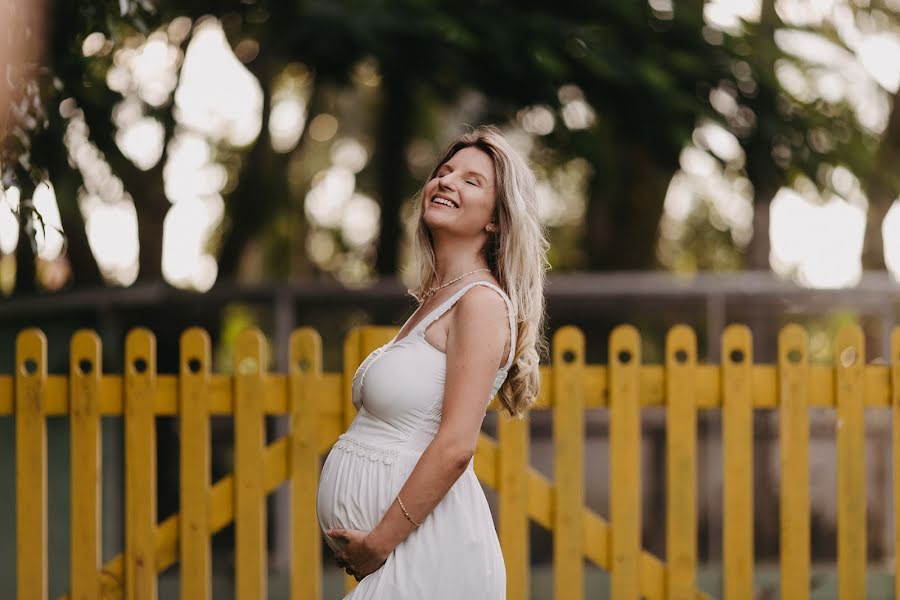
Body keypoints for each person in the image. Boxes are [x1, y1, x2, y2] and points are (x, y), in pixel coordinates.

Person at [316, 125, 550, 598]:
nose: (446, 182)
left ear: (497, 221)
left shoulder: (480, 302)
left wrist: (379, 543)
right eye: (443, 172)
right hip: (402, 556)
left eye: (471, 180)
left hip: (425, 555)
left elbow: (456, 445)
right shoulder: (438, 299)